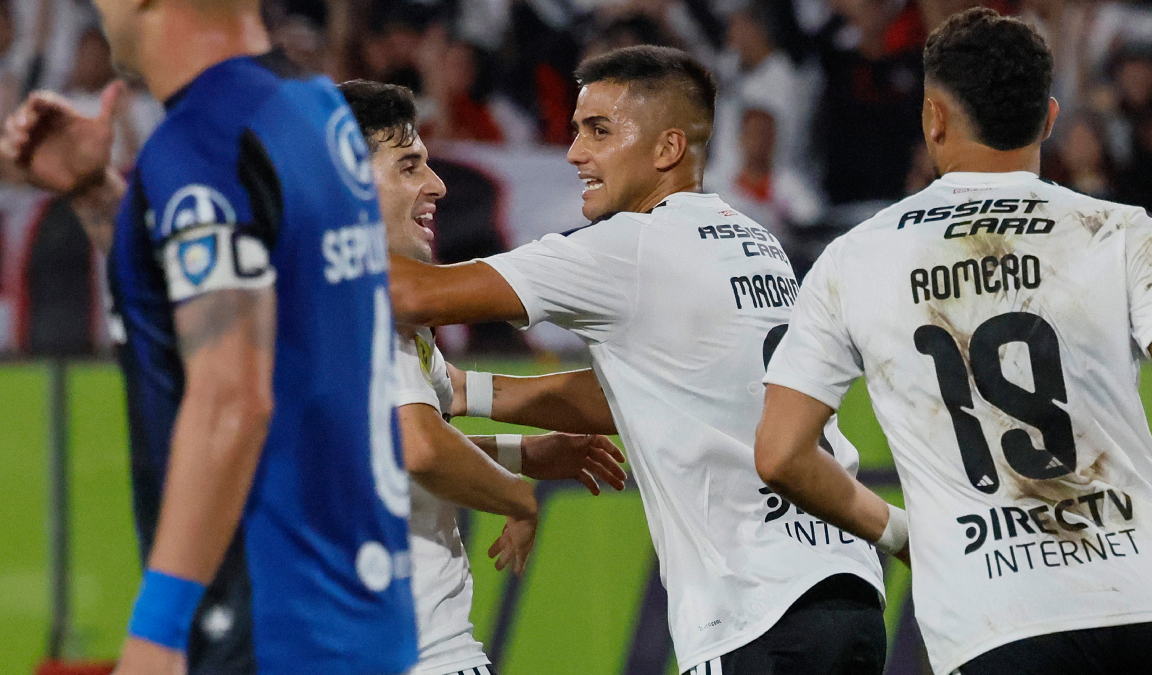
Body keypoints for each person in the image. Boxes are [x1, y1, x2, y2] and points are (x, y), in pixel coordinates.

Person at [388, 45, 909, 675]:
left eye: (599, 132)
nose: (576, 153)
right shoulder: (753, 240)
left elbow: (412, 293)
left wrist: (303, 217)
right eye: (577, 130)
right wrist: (468, 392)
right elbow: (652, 389)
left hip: (752, 610)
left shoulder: (628, 249)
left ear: (666, 150)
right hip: (845, 592)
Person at [754, 8, 1152, 675]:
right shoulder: (1124, 232)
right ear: (1049, 118)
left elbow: (781, 453)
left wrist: (902, 533)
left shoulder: (856, 259)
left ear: (933, 117)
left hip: (997, 619)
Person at [0, 1, 421, 673]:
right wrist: (96, 195)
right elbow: (273, 315)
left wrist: (157, 628)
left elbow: (232, 396)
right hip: (355, 612)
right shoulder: (310, 110)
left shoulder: (202, 142)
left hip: (267, 624)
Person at [339, 78, 628, 675]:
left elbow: (452, 401)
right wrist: (516, 497)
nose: (437, 184)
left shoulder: (315, 300)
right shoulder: (361, 304)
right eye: (409, 165)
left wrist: (524, 453)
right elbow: (418, 445)